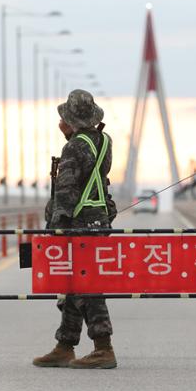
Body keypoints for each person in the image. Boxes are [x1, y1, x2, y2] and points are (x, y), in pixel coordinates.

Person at [35, 89, 118, 370]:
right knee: (75, 284)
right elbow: (99, 181)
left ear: (68, 121)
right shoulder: (104, 141)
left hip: (78, 225)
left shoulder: (74, 146)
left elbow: (67, 190)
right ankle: (65, 345)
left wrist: (56, 229)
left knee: (87, 285)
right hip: (99, 221)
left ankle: (103, 347)